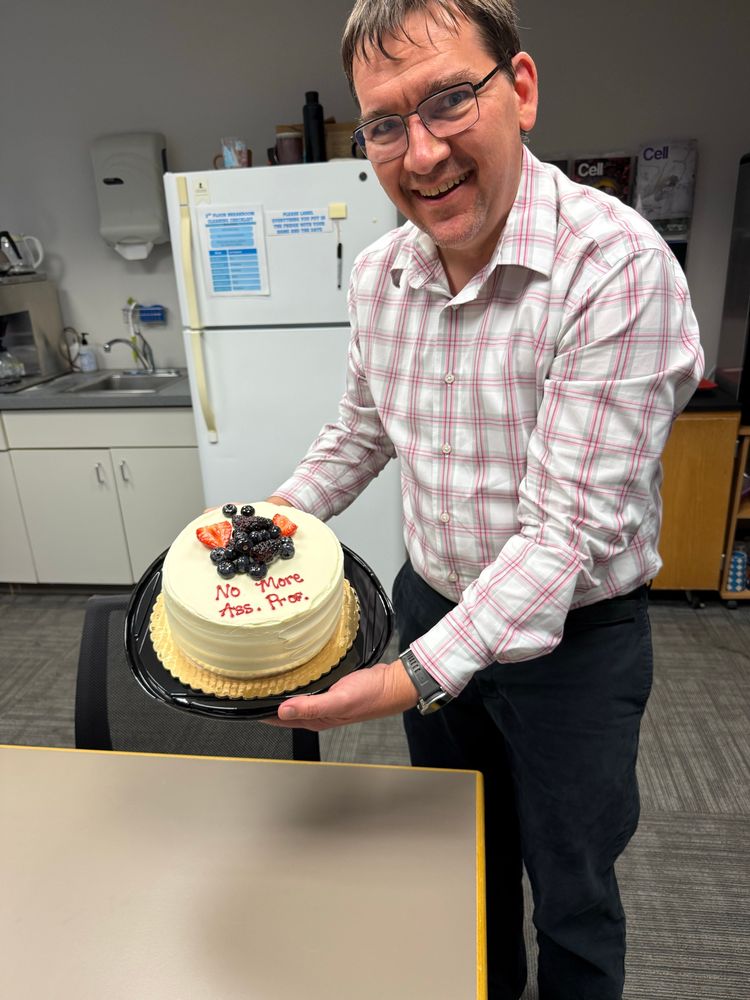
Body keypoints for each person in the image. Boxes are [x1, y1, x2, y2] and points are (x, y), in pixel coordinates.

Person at [267, 1, 704, 997]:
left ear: (521, 89)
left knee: (573, 890)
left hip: (576, 645)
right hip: (434, 602)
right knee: (461, 865)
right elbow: (361, 432)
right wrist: (266, 523)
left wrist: (399, 681)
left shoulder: (617, 269)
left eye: (448, 101)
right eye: (385, 123)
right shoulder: (382, 272)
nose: (419, 153)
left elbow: (562, 540)